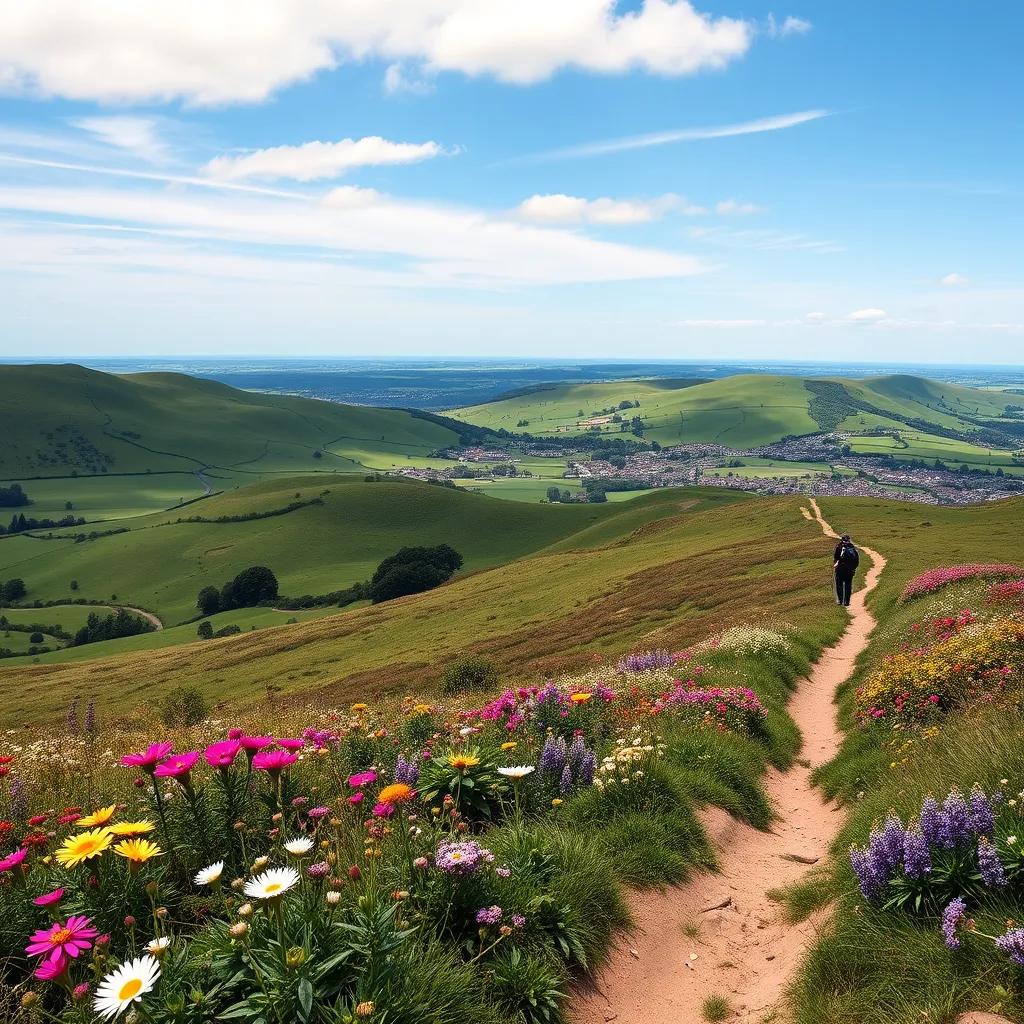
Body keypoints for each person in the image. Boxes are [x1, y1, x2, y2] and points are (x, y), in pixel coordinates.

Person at [833, 533, 859, 607]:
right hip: (850, 570)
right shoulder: (852, 547)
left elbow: (835, 558)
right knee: (848, 585)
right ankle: (847, 602)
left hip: (840, 569)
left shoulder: (839, 547)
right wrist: (853, 569)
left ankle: (840, 601)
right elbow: (856, 561)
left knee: (839, 585)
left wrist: (835, 565)